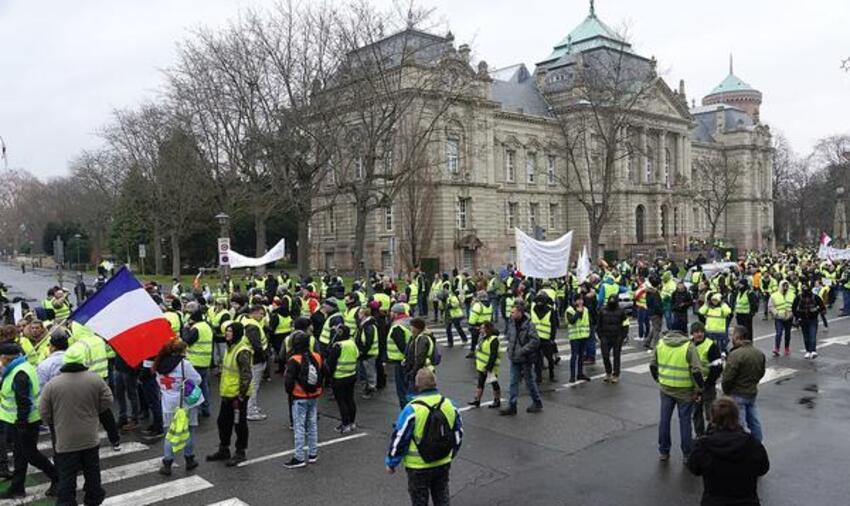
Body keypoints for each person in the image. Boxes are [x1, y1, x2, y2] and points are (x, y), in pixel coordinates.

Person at [38, 342, 112, 505]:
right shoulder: (95, 379)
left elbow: (43, 410)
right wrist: (94, 412)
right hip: (89, 437)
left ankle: (67, 502)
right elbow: (107, 400)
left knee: (67, 475)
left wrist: (54, 421)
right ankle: (92, 499)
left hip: (65, 439)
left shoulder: (53, 385)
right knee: (92, 471)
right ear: (82, 360)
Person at [386, 368, 463, 506]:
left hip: (417, 466)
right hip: (442, 461)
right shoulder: (450, 405)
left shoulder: (412, 409)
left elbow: (400, 437)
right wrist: (452, 453)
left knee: (419, 500)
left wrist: (392, 462)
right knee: (442, 496)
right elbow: (458, 433)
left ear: (417, 386)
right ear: (435, 383)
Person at [0, 343, 58, 499]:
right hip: (19, 421)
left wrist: (21, 423)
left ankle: (57, 478)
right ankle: (17, 488)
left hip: (24, 422)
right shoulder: (21, 367)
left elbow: (23, 401)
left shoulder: (20, 373)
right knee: (20, 455)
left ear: (5, 358)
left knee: (31, 455)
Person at [687, 398, 770, 506]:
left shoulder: (703, 446)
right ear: (736, 416)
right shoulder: (752, 443)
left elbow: (694, 468)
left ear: (713, 418)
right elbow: (763, 469)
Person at [649, 329, 704, 461]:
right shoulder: (688, 346)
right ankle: (686, 453)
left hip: (666, 388)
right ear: (683, 332)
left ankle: (664, 451)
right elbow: (696, 371)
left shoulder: (661, 343)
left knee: (664, 420)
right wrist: (699, 389)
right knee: (685, 421)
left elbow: (652, 365)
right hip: (685, 390)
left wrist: (659, 379)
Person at [206, 321, 253, 466]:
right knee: (223, 422)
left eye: (230, 331)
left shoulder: (242, 350)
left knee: (239, 424)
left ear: (237, 333)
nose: (227, 333)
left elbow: (246, 375)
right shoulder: (230, 347)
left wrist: (241, 395)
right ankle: (224, 449)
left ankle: (240, 452)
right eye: (227, 331)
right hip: (227, 393)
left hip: (237, 396)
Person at [153, 339, 203, 476]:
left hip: (168, 403)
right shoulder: (184, 365)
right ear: (181, 351)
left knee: (170, 433)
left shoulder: (158, 364)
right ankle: (189, 459)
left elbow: (158, 383)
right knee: (190, 430)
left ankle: (167, 463)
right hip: (185, 403)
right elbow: (198, 379)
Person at [283, 332, 324, 468]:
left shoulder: (294, 359)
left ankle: (299, 457)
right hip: (314, 395)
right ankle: (313, 453)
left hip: (299, 396)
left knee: (299, 427)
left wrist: (291, 392)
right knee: (312, 425)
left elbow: (289, 381)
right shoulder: (317, 357)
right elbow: (326, 372)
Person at [722, 326, 766, 442]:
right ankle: (758, 443)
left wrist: (726, 390)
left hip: (737, 393)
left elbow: (727, 377)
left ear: (738, 337)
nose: (732, 339)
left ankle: (741, 446)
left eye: (733, 336)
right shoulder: (759, 353)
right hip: (751, 392)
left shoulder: (736, 355)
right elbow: (761, 372)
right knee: (754, 421)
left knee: (739, 424)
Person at [500, 301, 542, 415]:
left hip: (525, 358)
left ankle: (537, 402)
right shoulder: (512, 322)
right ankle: (512, 405)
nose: (511, 314)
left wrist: (522, 350)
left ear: (520, 312)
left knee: (529, 382)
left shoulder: (529, 325)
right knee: (513, 382)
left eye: (513, 312)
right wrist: (510, 349)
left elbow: (535, 341)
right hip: (515, 357)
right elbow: (509, 336)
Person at [689, 322, 723, 438]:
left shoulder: (711, 346)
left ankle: (713, 436)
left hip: (707, 385)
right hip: (694, 386)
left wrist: (708, 383)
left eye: (701, 332)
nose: (699, 334)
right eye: (696, 332)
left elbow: (717, 367)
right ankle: (700, 436)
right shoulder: (689, 345)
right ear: (692, 333)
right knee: (696, 412)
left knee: (711, 413)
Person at [327, 326, 358, 433]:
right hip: (351, 375)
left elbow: (331, 363)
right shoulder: (352, 343)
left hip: (339, 377)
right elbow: (357, 355)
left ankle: (345, 424)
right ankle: (352, 422)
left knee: (341, 401)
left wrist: (329, 376)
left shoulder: (338, 346)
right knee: (350, 399)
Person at [184, 310, 213, 417]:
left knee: (192, 388)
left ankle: (193, 411)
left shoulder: (196, 328)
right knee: (204, 386)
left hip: (195, 361)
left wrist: (186, 329)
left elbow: (186, 340)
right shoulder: (206, 326)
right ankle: (206, 408)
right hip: (205, 361)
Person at [241, 305, 269, 421]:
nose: (262, 317)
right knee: (253, 386)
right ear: (255, 312)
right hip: (255, 360)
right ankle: (251, 411)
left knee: (251, 385)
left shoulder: (244, 320)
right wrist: (263, 357)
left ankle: (251, 408)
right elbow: (257, 346)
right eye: (261, 314)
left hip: (249, 358)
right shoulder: (252, 326)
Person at [468, 321, 501, 409]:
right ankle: (477, 400)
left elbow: (493, 355)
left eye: (482, 328)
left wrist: (488, 367)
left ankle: (497, 400)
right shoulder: (483, 338)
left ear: (487, 329)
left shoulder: (493, 340)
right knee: (480, 383)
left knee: (494, 383)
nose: (480, 330)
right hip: (482, 366)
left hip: (490, 367)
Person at [597, 294, 628, 383]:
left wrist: (623, 336)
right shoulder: (602, 311)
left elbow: (625, 324)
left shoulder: (621, 311)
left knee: (616, 356)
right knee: (605, 355)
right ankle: (608, 372)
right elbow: (599, 324)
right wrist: (600, 335)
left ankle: (616, 374)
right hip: (605, 336)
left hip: (617, 336)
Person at [387, 304, 413, 408]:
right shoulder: (409, 322)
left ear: (396, 313)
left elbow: (402, 346)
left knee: (402, 391)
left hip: (401, 362)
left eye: (391, 312)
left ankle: (405, 416)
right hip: (409, 361)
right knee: (410, 389)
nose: (390, 314)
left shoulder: (397, 326)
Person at [792, 283, 826, 359]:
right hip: (803, 319)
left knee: (812, 335)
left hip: (813, 319)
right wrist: (798, 317)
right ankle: (808, 351)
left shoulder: (815, 297)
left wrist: (816, 310)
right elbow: (793, 308)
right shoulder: (798, 298)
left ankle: (813, 350)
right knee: (806, 336)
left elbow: (822, 307)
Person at [531, 293, 559, 383]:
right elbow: (553, 325)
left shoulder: (533, 309)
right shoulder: (550, 310)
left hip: (536, 338)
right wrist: (552, 338)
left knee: (538, 359)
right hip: (546, 338)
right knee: (549, 358)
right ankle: (551, 376)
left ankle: (539, 377)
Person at [565, 297, 592, 383]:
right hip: (574, 337)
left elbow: (588, 321)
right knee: (574, 356)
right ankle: (572, 376)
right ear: (574, 301)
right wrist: (578, 312)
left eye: (581, 300)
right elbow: (571, 321)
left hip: (583, 336)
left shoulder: (586, 309)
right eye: (578, 300)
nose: (580, 301)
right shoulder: (570, 310)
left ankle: (580, 374)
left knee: (581, 356)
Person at [355, 306, 379, 399]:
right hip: (367, 353)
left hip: (368, 354)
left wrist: (362, 351)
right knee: (365, 372)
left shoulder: (367, 326)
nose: (358, 315)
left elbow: (368, 342)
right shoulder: (366, 325)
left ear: (364, 315)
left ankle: (370, 389)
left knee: (369, 372)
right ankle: (368, 388)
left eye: (360, 313)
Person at [768, 280, 794, 357]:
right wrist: (776, 313)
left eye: (787, 286)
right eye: (784, 286)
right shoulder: (774, 295)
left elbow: (795, 306)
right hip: (779, 317)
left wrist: (791, 314)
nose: (785, 287)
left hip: (789, 317)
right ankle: (777, 348)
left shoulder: (792, 295)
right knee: (779, 333)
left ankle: (786, 348)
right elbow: (771, 306)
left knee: (787, 333)